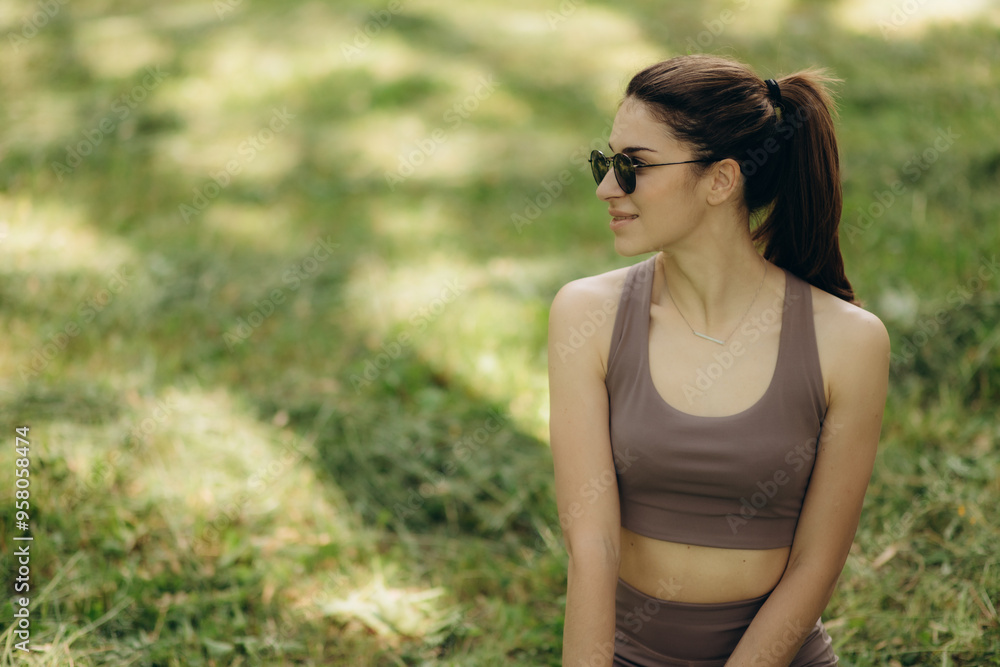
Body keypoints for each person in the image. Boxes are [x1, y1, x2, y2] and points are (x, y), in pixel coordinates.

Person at [547, 54, 890, 666]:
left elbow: (816, 565)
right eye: (606, 162)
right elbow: (591, 547)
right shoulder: (586, 316)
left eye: (635, 166)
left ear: (721, 180)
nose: (606, 187)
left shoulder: (850, 342)